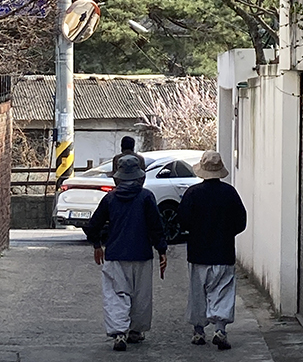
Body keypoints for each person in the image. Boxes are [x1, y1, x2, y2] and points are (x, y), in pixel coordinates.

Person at [85, 154, 168, 351]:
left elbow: (93, 225)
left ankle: (119, 332)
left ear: (118, 177)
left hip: (115, 253)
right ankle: (135, 331)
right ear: (139, 176)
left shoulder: (110, 198)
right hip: (142, 253)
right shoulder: (146, 197)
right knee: (141, 295)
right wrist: (161, 250)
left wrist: (97, 244)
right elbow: (156, 226)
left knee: (116, 294)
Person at [177, 150, 247, 350]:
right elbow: (241, 221)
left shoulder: (193, 193)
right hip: (224, 252)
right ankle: (220, 329)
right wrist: (227, 233)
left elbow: (182, 220)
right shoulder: (230, 193)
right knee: (222, 290)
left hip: (198, 252)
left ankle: (199, 331)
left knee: (198, 292)